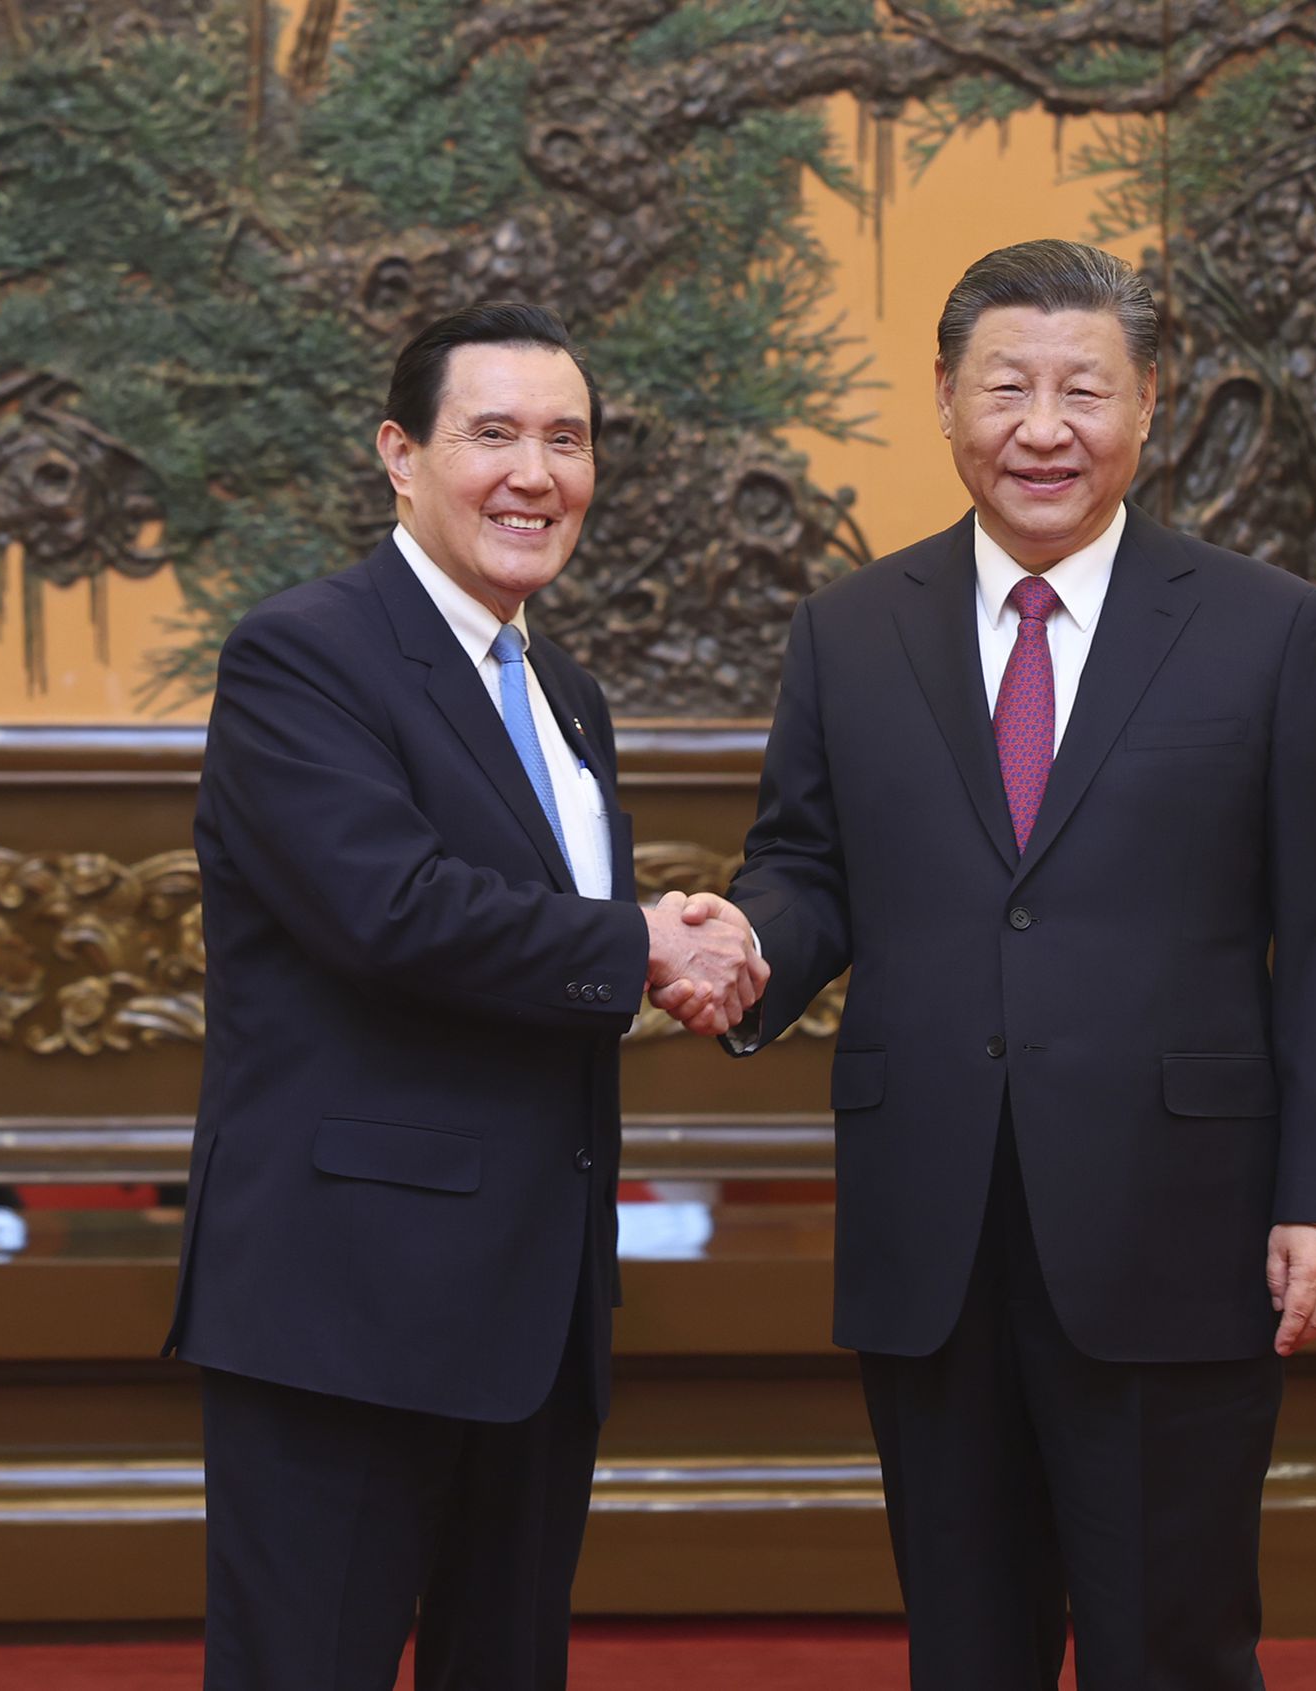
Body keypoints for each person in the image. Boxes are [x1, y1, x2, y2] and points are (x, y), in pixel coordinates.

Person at [658, 241, 1316, 1690]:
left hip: (1176, 1219)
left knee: (1170, 1641)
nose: (1042, 428)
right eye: (1006, 387)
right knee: (965, 1643)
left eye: (1082, 390)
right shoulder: (851, 632)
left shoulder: (1269, 631)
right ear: (944, 402)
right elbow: (807, 867)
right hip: (934, 1220)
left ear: (1148, 406)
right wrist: (745, 944)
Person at [164, 301, 765, 1691]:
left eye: (567, 439)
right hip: (346, 1311)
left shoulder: (566, 693)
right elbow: (390, 910)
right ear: (400, 453)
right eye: (492, 434)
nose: (535, 474)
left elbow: (543, 951)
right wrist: (646, 945)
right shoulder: (303, 654)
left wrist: (667, 945)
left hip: (532, 1318)